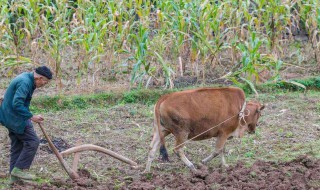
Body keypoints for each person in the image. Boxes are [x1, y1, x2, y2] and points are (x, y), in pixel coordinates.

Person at [0, 66, 53, 184]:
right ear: (40, 78)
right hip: (15, 118)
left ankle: (13, 181)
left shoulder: (26, 79)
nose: (45, 84)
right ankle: (19, 170)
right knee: (33, 141)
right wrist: (31, 116)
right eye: (45, 81)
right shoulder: (25, 82)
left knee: (17, 145)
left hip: (8, 117)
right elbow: (17, 103)